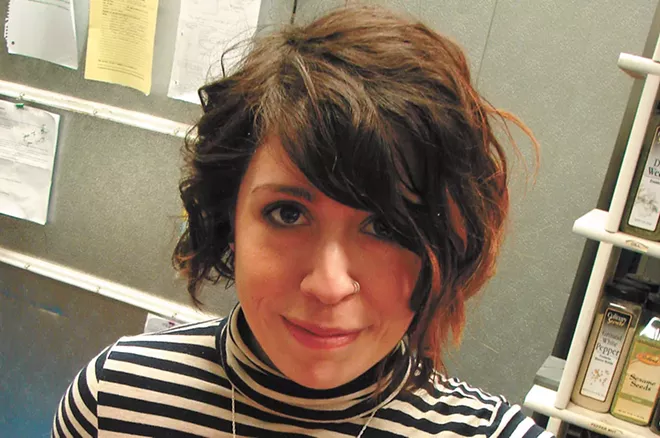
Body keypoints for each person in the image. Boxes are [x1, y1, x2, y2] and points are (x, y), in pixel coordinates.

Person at [52, 5, 550, 437]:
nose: (328, 286)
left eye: (386, 227)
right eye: (288, 214)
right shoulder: (112, 402)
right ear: (230, 221)